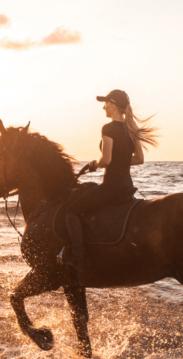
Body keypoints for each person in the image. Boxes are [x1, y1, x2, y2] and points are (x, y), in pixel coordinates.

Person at [63, 89, 159, 271]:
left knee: (71, 211)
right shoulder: (132, 129)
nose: (103, 108)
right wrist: (120, 160)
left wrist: (94, 164)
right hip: (127, 186)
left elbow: (106, 160)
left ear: (113, 105)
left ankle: (78, 257)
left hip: (112, 187)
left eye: (105, 104)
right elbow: (139, 159)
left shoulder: (108, 128)